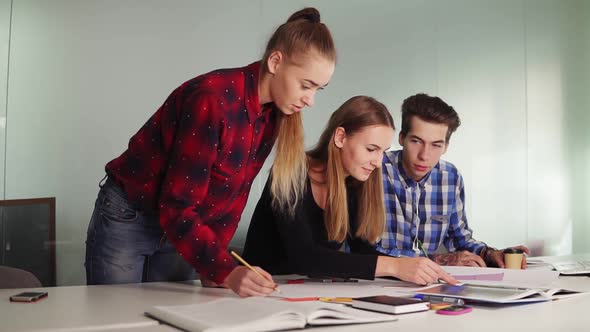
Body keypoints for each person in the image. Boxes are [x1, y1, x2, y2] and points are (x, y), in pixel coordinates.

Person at [85, 7, 336, 297]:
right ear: (276, 61)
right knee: (114, 317)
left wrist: (213, 266)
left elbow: (233, 198)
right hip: (130, 217)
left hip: (180, 230)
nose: (311, 100)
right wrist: (225, 269)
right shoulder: (212, 99)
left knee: (167, 319)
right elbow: (177, 205)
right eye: (307, 85)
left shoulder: (273, 116)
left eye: (319, 89)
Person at [243, 96, 457, 285]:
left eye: (383, 152)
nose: (378, 162)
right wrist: (394, 267)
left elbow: (361, 251)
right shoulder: (291, 171)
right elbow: (304, 258)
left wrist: (413, 269)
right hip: (263, 290)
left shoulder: (354, 182)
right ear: (340, 137)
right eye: (371, 149)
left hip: (307, 291)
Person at [375, 93, 529, 268]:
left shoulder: (450, 177)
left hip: (425, 284)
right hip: (377, 283)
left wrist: (489, 253)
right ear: (402, 138)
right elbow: (364, 250)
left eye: (436, 145)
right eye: (416, 141)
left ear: (446, 147)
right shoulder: (374, 170)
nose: (424, 155)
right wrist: (435, 260)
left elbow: (459, 239)